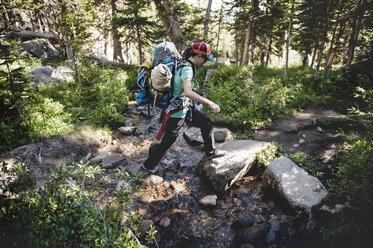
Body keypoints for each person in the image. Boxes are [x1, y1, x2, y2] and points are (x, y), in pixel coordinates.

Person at [140, 41, 226, 176]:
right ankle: (147, 166)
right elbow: (188, 92)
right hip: (177, 111)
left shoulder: (181, 64)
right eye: (204, 59)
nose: (204, 62)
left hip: (183, 108)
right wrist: (210, 103)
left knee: (205, 122)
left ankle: (211, 152)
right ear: (198, 55)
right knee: (168, 140)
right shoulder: (187, 68)